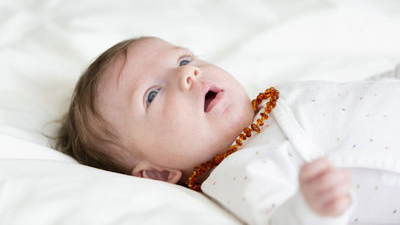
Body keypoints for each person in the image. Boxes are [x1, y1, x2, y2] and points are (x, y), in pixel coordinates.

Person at [55, 36, 400, 225]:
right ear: (158, 173)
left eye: (184, 60)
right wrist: (311, 209)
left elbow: (359, 97)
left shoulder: (279, 95)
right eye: (153, 94)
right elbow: (278, 218)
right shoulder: (236, 172)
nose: (187, 75)